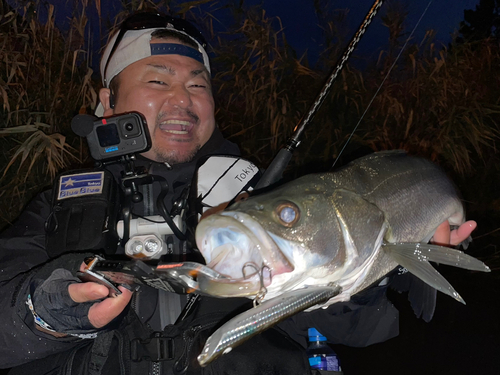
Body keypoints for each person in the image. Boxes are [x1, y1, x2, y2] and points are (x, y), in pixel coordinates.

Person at [0, 11, 476, 375]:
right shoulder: (56, 207)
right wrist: (42, 310)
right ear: (107, 102)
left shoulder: (259, 194)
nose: (182, 99)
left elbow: (361, 333)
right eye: (157, 80)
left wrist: (360, 281)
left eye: (197, 84)